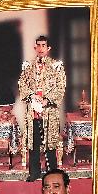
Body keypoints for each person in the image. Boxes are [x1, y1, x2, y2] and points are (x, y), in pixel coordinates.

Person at [18, 35, 66, 182]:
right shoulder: (28, 66)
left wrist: (47, 100)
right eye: (38, 45)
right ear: (35, 48)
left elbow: (60, 86)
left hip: (49, 111)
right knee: (33, 143)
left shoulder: (56, 66)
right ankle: (35, 173)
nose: (40, 48)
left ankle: (52, 174)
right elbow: (22, 84)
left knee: (50, 143)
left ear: (48, 48)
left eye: (43, 45)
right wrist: (32, 96)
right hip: (33, 110)